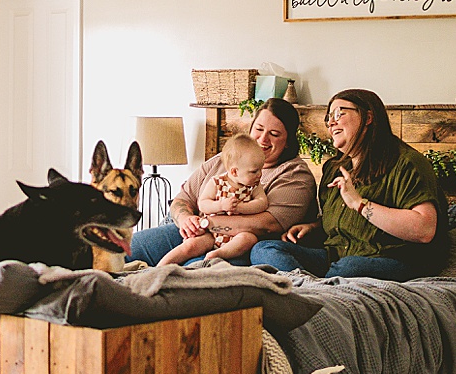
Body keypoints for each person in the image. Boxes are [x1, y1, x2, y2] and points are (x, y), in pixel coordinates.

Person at [250, 88, 449, 281]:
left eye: (339, 113)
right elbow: (343, 224)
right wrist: (312, 228)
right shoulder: (334, 168)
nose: (331, 122)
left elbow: (424, 230)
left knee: (349, 268)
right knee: (264, 249)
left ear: (368, 117)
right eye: (328, 117)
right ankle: (312, 288)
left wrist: (360, 204)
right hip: (335, 257)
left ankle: (311, 290)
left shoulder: (407, 162)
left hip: (391, 259)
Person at [129, 97, 318, 267]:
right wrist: (186, 220)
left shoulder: (294, 176)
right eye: (258, 129)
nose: (263, 139)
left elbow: (266, 225)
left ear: (288, 141)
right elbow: (182, 199)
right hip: (190, 231)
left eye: (274, 134)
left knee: (194, 269)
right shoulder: (224, 159)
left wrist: (206, 222)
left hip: (238, 246)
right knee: (123, 249)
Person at [155, 133, 269, 264]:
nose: (259, 174)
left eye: (261, 169)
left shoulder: (254, 186)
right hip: (209, 233)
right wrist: (221, 206)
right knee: (190, 246)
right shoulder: (217, 182)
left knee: (249, 239)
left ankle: (218, 254)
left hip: (237, 235)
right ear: (234, 172)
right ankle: (161, 267)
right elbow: (203, 204)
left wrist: (240, 207)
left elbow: (262, 203)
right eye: (254, 171)